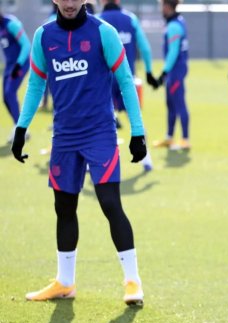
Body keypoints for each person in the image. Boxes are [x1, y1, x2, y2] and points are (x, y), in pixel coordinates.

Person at [11, 0, 147, 306]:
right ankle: (65, 282)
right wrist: (21, 128)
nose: (70, 3)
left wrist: (137, 132)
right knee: (64, 208)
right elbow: (35, 84)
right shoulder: (44, 36)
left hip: (100, 134)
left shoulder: (104, 32)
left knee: (110, 204)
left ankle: (132, 282)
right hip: (64, 138)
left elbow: (125, 80)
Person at [99, 0, 158, 171]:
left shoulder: (97, 20)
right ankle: (147, 159)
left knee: (100, 121)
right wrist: (148, 72)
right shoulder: (130, 19)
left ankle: (94, 163)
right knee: (135, 118)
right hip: (127, 79)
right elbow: (145, 48)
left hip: (105, 82)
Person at [152, 0, 190, 150]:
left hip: (176, 71)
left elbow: (173, 52)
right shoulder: (178, 21)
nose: (161, 9)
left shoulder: (173, 26)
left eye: (162, 5)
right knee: (171, 104)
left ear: (167, 7)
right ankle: (169, 137)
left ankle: (185, 139)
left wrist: (163, 74)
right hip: (176, 70)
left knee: (179, 104)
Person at [0, 9, 30, 139]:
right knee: (6, 98)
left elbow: (26, 45)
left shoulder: (10, 24)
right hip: (9, 65)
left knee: (10, 92)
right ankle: (19, 126)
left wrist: (18, 64)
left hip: (20, 63)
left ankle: (21, 130)